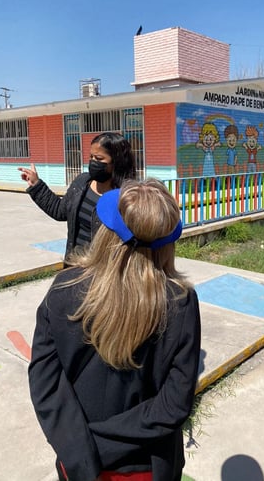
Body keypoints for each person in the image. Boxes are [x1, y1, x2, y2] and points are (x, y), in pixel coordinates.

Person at [28, 178, 201, 481]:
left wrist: (83, 449)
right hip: (148, 463)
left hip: (80, 462)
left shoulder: (64, 289)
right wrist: (99, 446)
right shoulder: (180, 303)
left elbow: (46, 385)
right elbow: (174, 404)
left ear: (106, 232)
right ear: (168, 240)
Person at [18, 132, 136, 260]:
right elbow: (59, 211)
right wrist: (36, 185)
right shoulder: (82, 182)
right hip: (74, 265)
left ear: (117, 162)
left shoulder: (127, 197)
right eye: (91, 157)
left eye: (99, 158)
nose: (93, 162)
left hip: (103, 273)